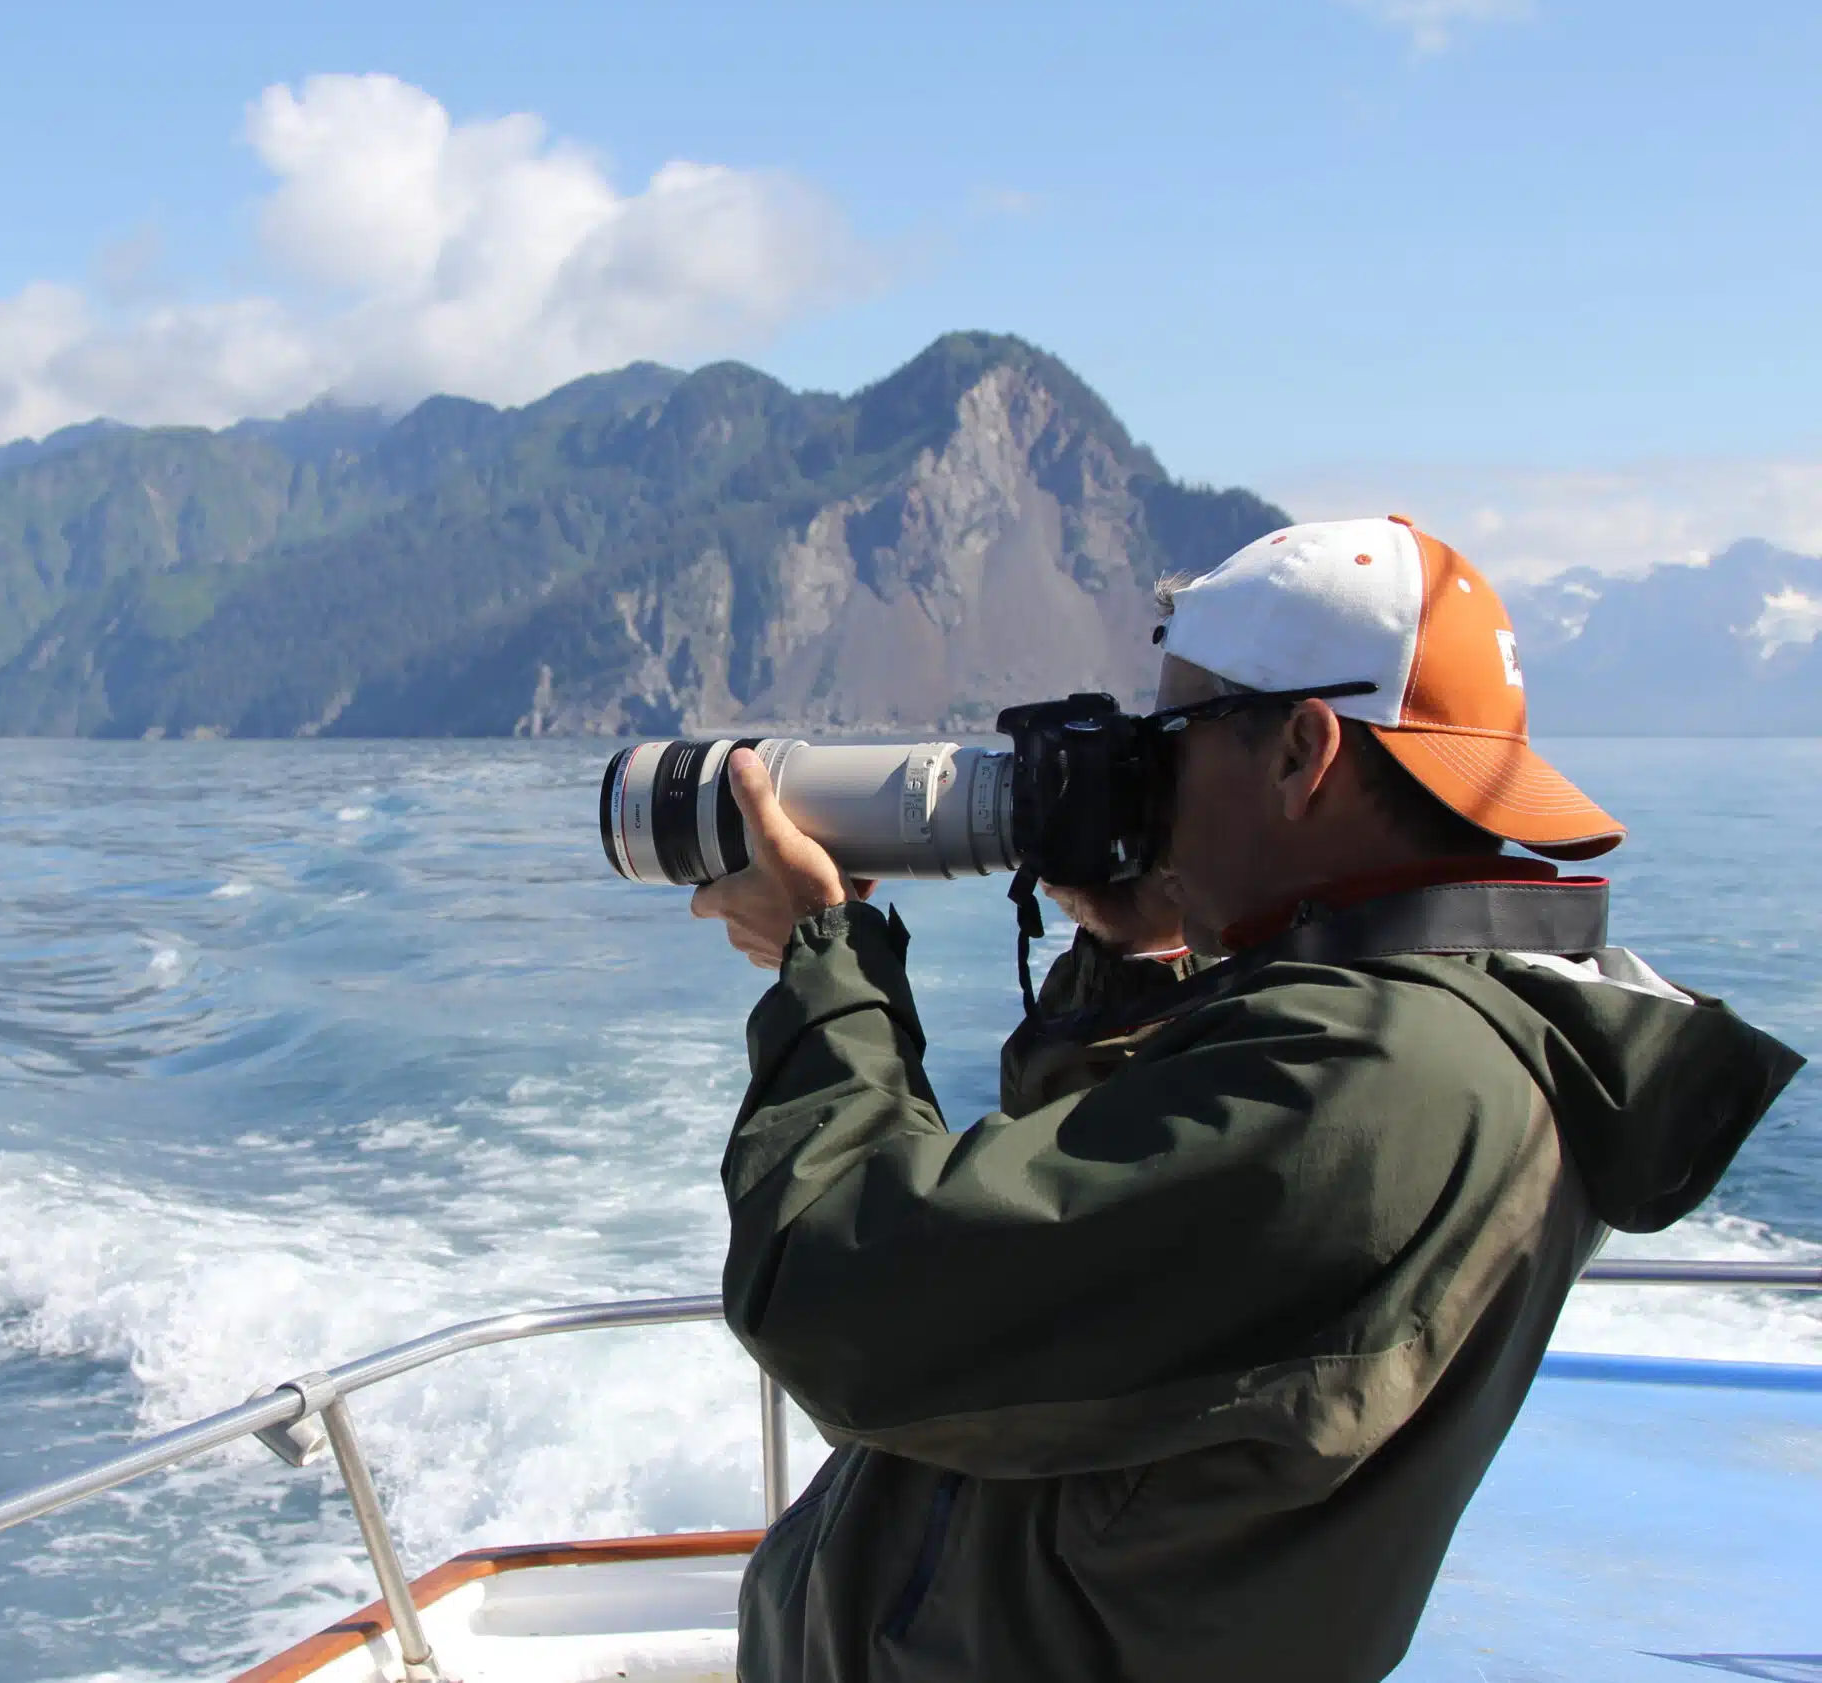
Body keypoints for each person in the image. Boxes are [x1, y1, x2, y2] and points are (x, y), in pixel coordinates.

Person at [686, 516, 1803, 1683]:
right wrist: (1137, 968)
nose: (1147, 783)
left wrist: (827, 965)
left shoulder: (1380, 1074)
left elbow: (841, 1298)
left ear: (1300, 751)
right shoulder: (1437, 1021)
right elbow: (1135, 1304)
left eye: (1170, 738)